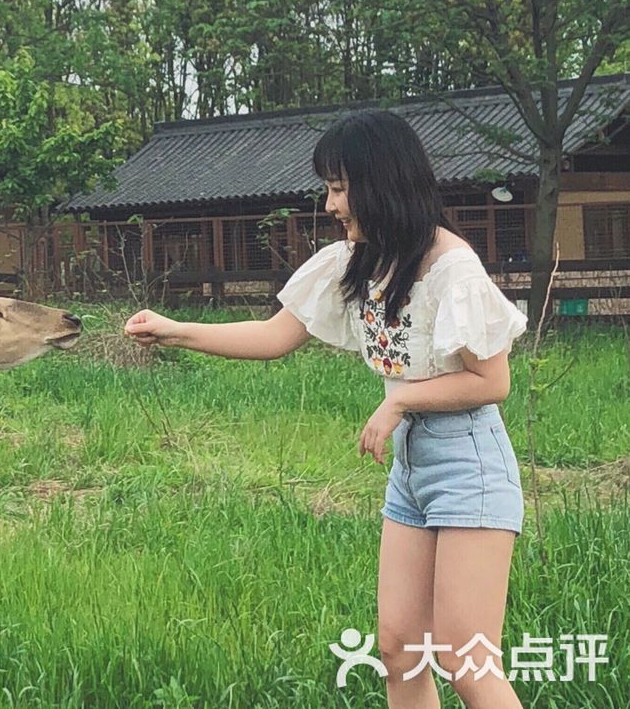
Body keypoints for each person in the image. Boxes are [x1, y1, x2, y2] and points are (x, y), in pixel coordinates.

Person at [125, 109, 527, 709]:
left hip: (469, 460)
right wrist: (175, 330)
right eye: (329, 188)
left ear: (381, 182)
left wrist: (402, 402)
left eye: (339, 188)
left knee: (465, 658)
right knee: (398, 649)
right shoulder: (356, 261)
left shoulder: (451, 269)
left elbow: (493, 381)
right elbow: (275, 336)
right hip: (412, 468)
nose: (330, 203)